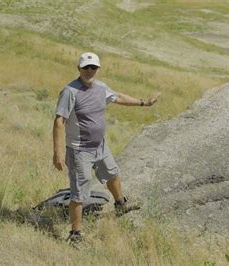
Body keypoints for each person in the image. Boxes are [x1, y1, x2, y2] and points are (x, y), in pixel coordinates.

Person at [53, 52, 160, 243]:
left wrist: (144, 103)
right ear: (79, 69)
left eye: (93, 67)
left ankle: (120, 204)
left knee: (112, 173)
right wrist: (58, 153)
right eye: (86, 67)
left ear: (98, 69)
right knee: (79, 192)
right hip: (79, 150)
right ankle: (75, 234)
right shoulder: (70, 91)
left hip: (100, 146)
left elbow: (118, 97)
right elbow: (59, 121)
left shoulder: (101, 88)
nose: (89, 71)